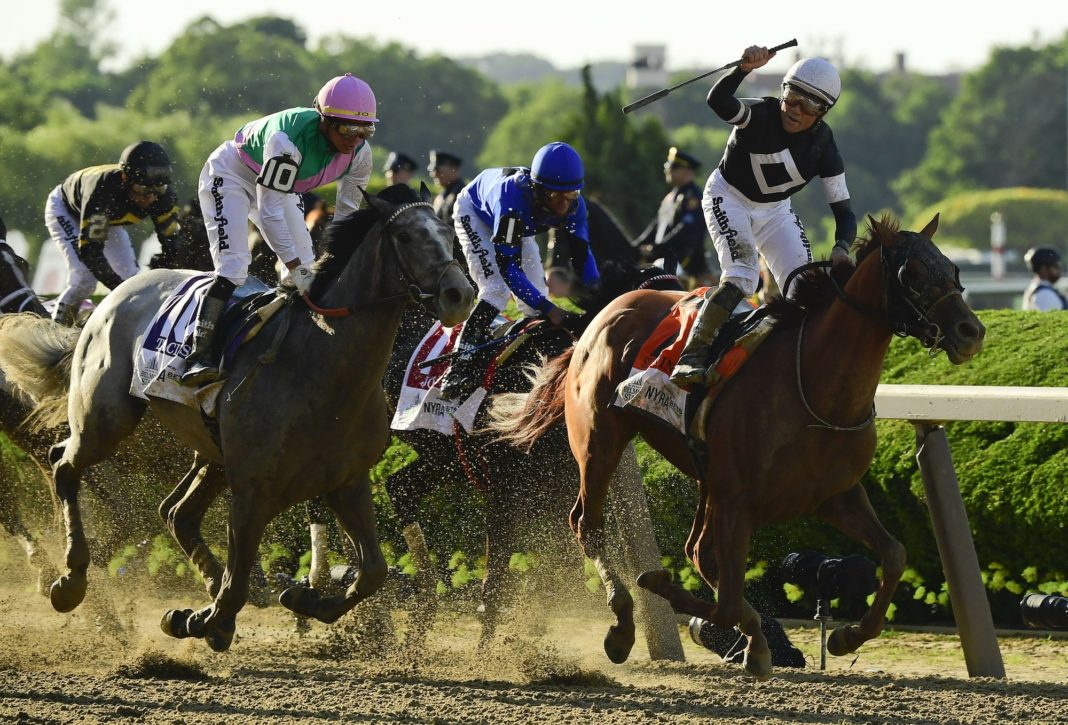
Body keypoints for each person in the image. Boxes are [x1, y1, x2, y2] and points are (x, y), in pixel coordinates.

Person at [670, 46, 857, 388]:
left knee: (804, 286)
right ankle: (691, 357)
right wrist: (742, 69)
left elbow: (844, 214)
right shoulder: (760, 115)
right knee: (742, 277)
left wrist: (842, 246)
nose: (794, 109)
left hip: (775, 212)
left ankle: (800, 366)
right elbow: (718, 100)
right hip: (729, 197)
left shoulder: (826, 150)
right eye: (791, 96)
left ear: (824, 112)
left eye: (809, 104)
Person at [181, 73, 377, 386]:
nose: (354, 139)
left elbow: (346, 217)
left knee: (307, 263)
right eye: (346, 127)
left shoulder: (361, 155)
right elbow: (270, 214)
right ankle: (198, 354)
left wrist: (330, 264)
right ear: (323, 119)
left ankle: (289, 347)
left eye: (364, 130)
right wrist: (296, 269)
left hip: (276, 186)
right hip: (232, 174)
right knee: (234, 266)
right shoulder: (287, 142)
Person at [438, 141, 599, 400]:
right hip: (477, 214)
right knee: (496, 290)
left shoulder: (575, 205)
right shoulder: (512, 203)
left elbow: (583, 256)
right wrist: (551, 309)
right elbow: (509, 269)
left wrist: (599, 298)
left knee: (535, 299)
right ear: (537, 190)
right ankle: (459, 365)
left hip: (519, 225)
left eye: (570, 196)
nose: (563, 206)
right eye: (555, 197)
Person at [43, 141, 181, 326]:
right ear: (125, 177)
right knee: (84, 279)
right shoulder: (103, 191)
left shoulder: (163, 198)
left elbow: (174, 244)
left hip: (109, 218)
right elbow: (91, 252)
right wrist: (119, 289)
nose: (150, 197)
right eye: (142, 189)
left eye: (157, 189)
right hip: (67, 210)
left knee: (132, 279)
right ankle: (56, 331)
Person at [633, 147, 712, 286]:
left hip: (688, 265)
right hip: (663, 257)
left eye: (673, 167)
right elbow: (654, 227)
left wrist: (656, 248)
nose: (668, 170)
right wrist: (634, 247)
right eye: (668, 166)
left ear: (688, 171)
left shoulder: (694, 197)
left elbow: (685, 232)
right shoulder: (669, 198)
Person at [428, 150, 465, 228]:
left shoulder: (463, 195)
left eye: (437, 170)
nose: (433, 174)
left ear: (453, 168)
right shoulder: (443, 195)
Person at [1022, 246, 1066, 311]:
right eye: (1056, 266)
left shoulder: (1038, 288)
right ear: (1043, 269)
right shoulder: (1044, 293)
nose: (1060, 270)